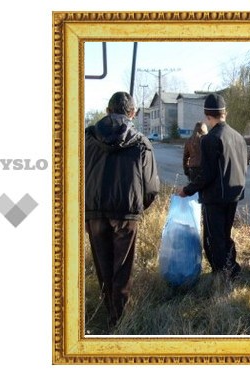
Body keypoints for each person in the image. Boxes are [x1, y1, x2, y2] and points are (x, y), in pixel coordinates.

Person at [85, 91, 160, 328]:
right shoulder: (140, 142)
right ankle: (119, 319)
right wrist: (137, 208)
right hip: (126, 214)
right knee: (122, 266)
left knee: (103, 263)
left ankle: (109, 309)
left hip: (94, 211)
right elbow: (151, 188)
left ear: (108, 111)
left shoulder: (86, 138)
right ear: (133, 113)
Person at [176, 93, 248, 279]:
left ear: (208, 116)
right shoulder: (239, 137)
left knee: (213, 239)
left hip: (215, 198)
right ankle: (232, 268)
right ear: (225, 113)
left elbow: (206, 174)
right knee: (224, 234)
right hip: (233, 194)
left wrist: (187, 190)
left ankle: (222, 275)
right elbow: (242, 167)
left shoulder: (210, 140)